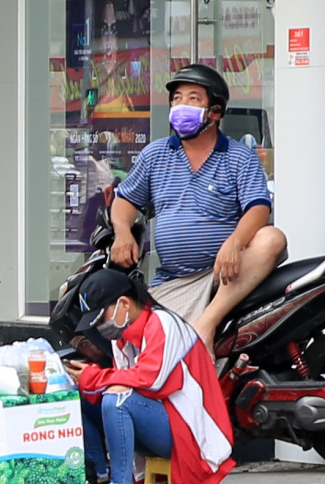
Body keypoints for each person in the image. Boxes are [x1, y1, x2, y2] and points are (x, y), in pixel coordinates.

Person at [109, 63, 287, 351]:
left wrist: (234, 243)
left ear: (214, 112)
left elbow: (258, 207)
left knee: (272, 237)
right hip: (173, 280)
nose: (182, 105)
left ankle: (206, 323)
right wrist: (122, 232)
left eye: (193, 99)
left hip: (225, 276)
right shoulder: (155, 155)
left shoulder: (239, 157)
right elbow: (126, 200)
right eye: (177, 98)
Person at [64, 269, 234, 484]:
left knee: (116, 398)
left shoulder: (162, 323)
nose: (100, 327)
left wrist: (95, 377)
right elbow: (123, 381)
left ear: (124, 303)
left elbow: (150, 381)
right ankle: (99, 479)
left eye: (101, 318)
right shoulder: (121, 338)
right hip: (161, 424)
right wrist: (87, 379)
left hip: (190, 433)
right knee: (82, 398)